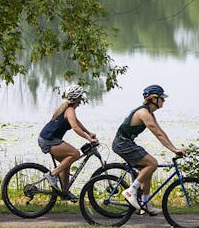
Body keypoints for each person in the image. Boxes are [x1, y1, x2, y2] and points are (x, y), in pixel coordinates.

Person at [111, 83, 185, 215]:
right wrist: (174, 150)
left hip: (126, 143)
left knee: (147, 170)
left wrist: (174, 148)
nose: (164, 101)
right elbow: (158, 134)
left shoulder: (149, 112)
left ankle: (145, 204)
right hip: (122, 144)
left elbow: (160, 131)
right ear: (153, 98)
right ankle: (130, 191)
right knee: (152, 163)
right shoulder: (144, 113)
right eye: (162, 98)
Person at [38, 85, 98, 202]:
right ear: (78, 98)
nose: (82, 100)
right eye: (81, 97)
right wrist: (89, 139)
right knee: (75, 154)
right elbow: (75, 128)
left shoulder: (68, 109)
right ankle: (52, 174)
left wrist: (88, 132)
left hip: (48, 138)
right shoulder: (69, 110)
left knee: (66, 162)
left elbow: (76, 122)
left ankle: (64, 192)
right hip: (49, 140)